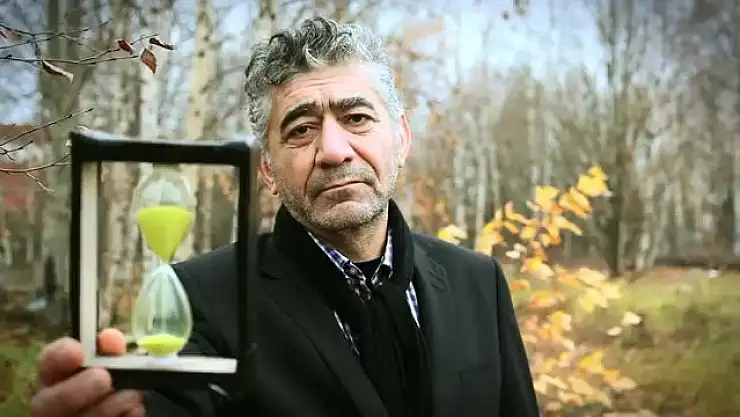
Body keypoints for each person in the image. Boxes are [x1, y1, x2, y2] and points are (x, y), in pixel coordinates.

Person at [29, 16, 539, 417]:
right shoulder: (199, 297)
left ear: (402, 137)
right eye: (301, 130)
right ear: (267, 169)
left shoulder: (479, 281)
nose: (334, 150)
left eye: (357, 117)